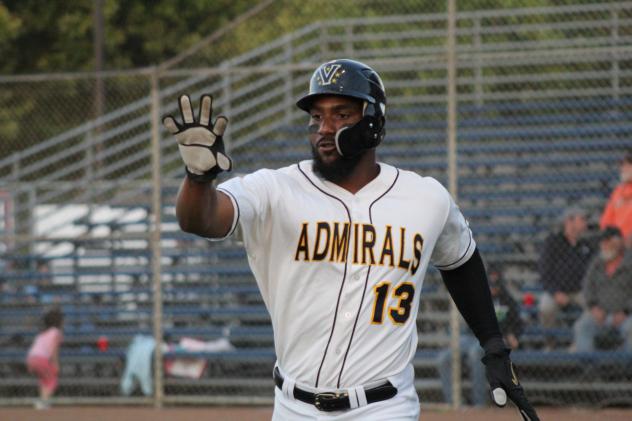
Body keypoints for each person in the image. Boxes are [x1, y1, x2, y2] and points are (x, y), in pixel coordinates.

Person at [163, 59, 539, 420]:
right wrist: (198, 180)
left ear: (373, 122)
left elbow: (461, 260)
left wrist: (493, 345)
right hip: (294, 407)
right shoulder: (275, 189)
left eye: (341, 114)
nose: (324, 127)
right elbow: (201, 219)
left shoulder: (425, 198)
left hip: (385, 406)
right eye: (316, 116)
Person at [438, 264, 524, 407]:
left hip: (494, 339)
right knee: (444, 359)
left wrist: (513, 334)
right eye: (490, 284)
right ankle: (452, 403)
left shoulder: (508, 300)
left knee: (475, 354)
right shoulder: (478, 296)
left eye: (496, 284)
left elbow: (518, 324)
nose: (493, 288)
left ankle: (479, 404)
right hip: (472, 337)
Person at [537, 206, 594, 343]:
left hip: (581, 291)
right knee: (546, 308)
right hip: (557, 290)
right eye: (582, 219)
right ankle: (550, 344)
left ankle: (579, 343)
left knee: (595, 306)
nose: (586, 222)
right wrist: (555, 292)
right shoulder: (553, 242)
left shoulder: (586, 244)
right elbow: (544, 271)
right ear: (569, 221)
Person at [572, 226, 632, 352]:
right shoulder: (597, 263)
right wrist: (594, 308)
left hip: (626, 316)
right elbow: (587, 287)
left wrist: (625, 312)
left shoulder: (629, 262)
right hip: (600, 314)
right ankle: (589, 367)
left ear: (617, 242)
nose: (603, 245)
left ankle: (627, 368)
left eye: (607, 241)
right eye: (603, 242)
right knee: (582, 327)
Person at [25, 307, 64, 409]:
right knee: (52, 381)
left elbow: (35, 348)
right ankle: (43, 401)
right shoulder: (56, 332)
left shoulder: (42, 333)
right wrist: (55, 364)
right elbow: (53, 350)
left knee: (44, 380)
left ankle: (43, 401)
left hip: (31, 358)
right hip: (41, 359)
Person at [600, 150, 632, 248]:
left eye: (627, 165)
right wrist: (611, 237)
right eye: (622, 165)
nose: (622, 169)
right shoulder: (618, 191)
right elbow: (606, 221)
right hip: (617, 243)